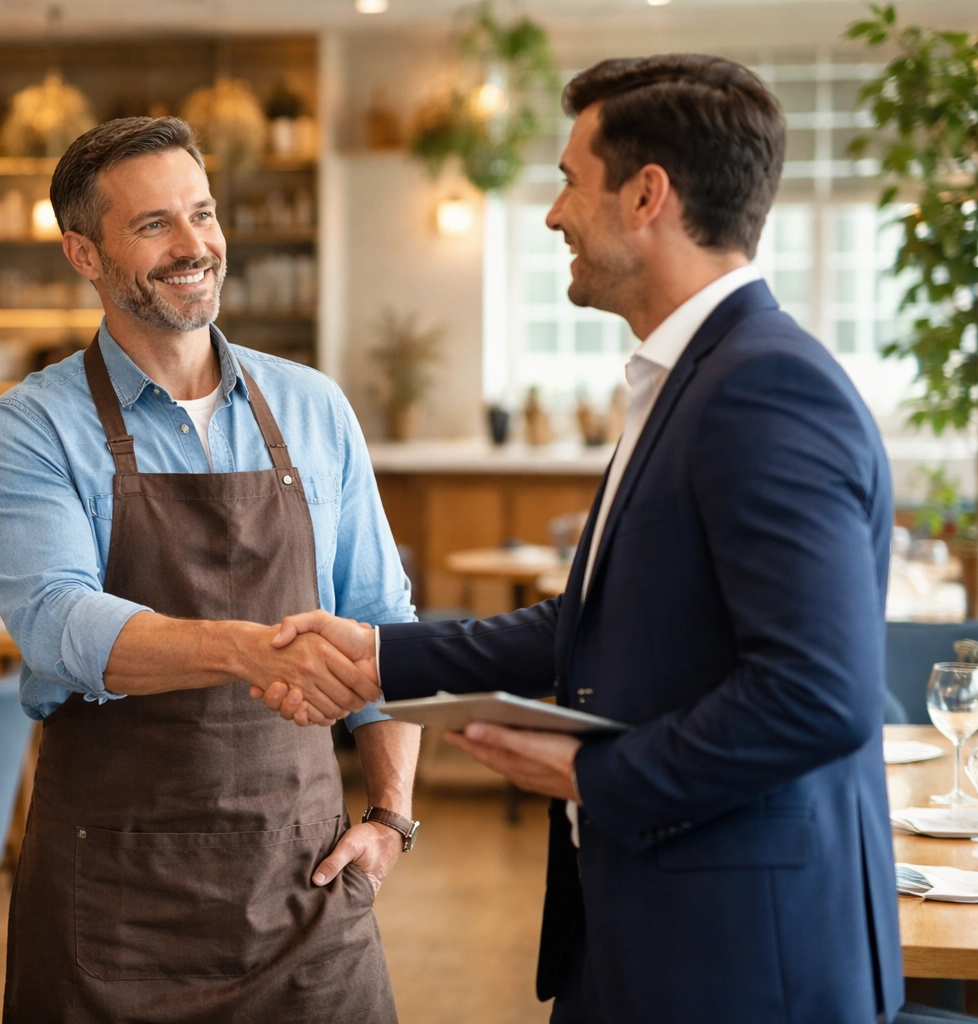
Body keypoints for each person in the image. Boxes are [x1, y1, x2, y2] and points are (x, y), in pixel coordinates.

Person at [259, 55, 902, 1023]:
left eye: (569, 179)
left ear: (647, 195)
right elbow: (594, 624)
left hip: (741, 957)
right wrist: (379, 656)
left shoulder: (765, 387)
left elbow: (818, 696)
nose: (555, 214)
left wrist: (586, 773)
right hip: (648, 928)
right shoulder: (691, 377)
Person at [0, 116, 421, 1021]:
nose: (193, 246)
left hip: (305, 877)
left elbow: (382, 619)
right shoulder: (31, 426)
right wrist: (250, 650)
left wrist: (391, 816)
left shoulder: (313, 407)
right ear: (84, 254)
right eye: (154, 225)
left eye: (202, 214)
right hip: (113, 896)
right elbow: (58, 623)